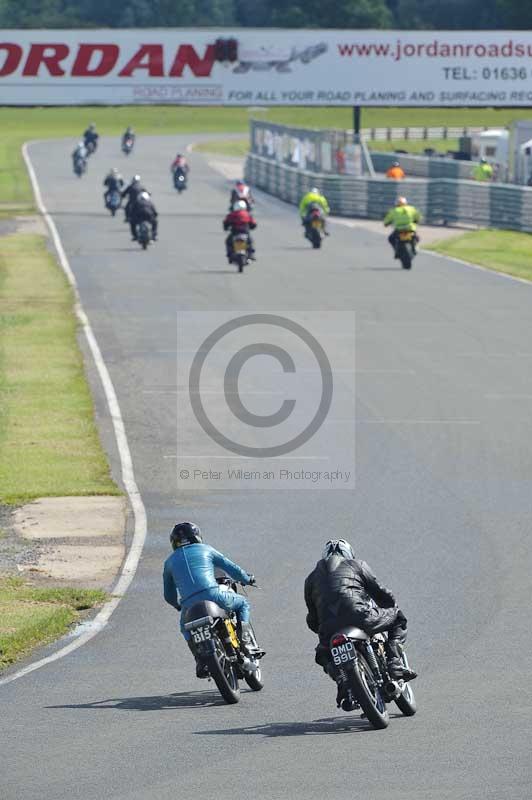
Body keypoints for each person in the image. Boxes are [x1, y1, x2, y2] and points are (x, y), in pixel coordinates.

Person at [304, 539, 417, 682]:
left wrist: (324, 629)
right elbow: (380, 593)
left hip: (329, 629)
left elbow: (312, 619)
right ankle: (394, 663)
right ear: (349, 554)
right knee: (398, 618)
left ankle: (341, 681)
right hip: (360, 617)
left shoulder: (310, 579)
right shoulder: (358, 565)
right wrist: (390, 605)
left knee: (322, 653)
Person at [163, 522, 262, 678]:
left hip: (189, 604)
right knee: (242, 603)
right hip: (215, 595)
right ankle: (245, 642)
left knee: (185, 628)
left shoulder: (169, 563)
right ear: (197, 537)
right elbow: (232, 569)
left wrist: (178, 605)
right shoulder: (206, 549)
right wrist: (247, 578)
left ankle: (200, 660)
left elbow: (168, 595)